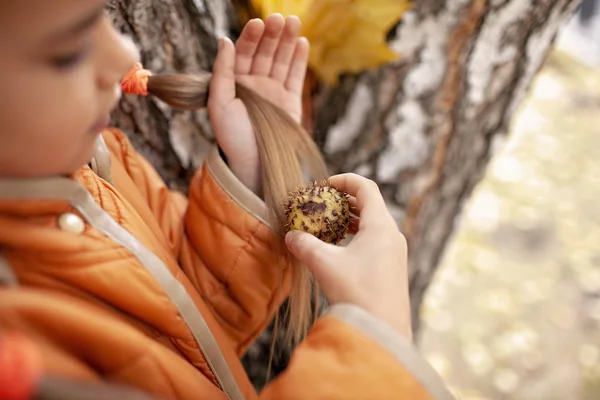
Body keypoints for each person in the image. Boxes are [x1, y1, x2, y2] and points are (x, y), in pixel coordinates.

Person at [0, 1, 453, 399]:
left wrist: (254, 171)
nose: (126, 52)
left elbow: (188, 331)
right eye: (67, 51)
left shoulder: (97, 170)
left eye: (101, 18)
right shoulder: (19, 354)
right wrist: (377, 335)